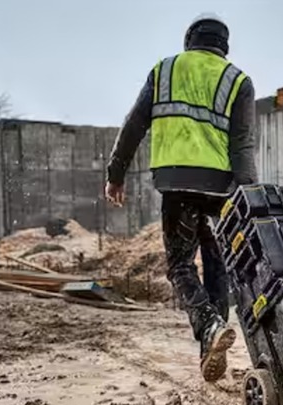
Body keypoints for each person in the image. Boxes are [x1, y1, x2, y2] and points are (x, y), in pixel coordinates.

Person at [105, 13, 257, 382]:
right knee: (217, 265)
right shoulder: (238, 80)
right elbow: (242, 144)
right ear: (224, 45)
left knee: (179, 265)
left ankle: (208, 326)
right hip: (220, 189)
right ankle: (212, 342)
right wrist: (251, 195)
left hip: (176, 183)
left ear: (190, 39)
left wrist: (115, 173)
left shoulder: (165, 70)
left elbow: (134, 124)